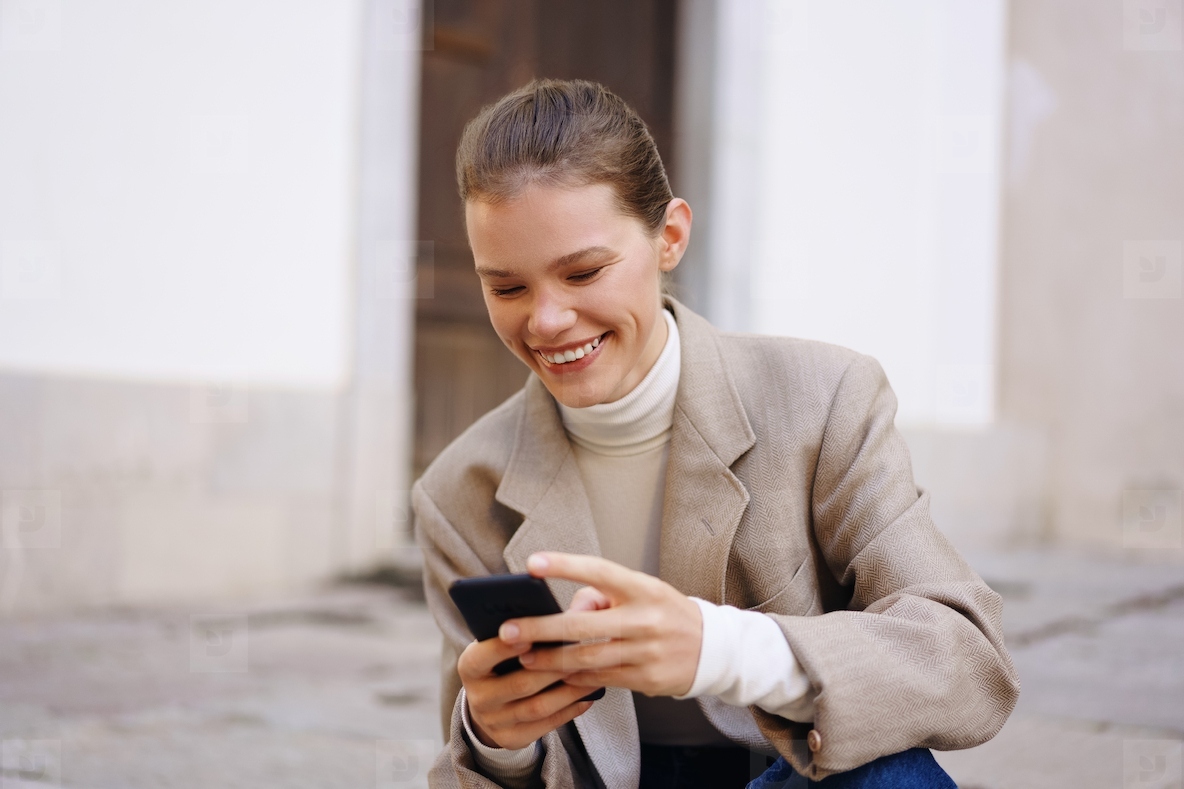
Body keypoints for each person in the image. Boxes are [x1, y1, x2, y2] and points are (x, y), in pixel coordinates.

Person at [412, 79, 1019, 789]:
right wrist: (493, 739)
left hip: (792, 768)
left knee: (889, 775)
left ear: (669, 236)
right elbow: (470, 769)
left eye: (583, 272)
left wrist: (722, 649)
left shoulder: (824, 399)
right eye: (507, 288)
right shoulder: (459, 492)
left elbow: (968, 659)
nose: (545, 321)